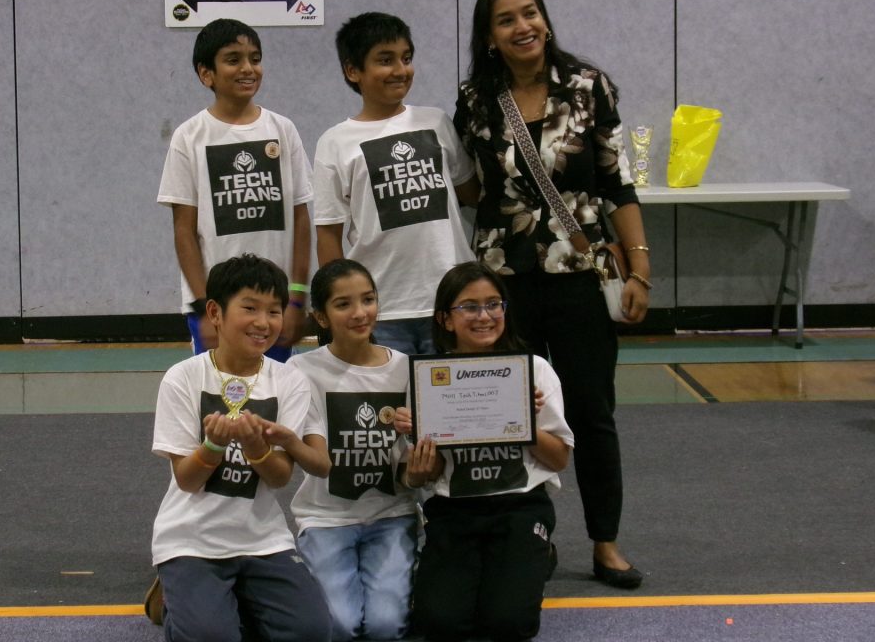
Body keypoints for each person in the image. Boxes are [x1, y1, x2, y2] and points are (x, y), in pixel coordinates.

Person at [454, 0, 652, 588]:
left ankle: (605, 542)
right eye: (506, 20)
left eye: (530, 13)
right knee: (507, 413)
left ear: (545, 18)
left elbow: (617, 183)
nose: (523, 27)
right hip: (503, 283)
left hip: (579, 276)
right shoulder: (475, 100)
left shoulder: (589, 87)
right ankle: (525, 537)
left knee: (591, 412)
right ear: (489, 37)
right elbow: (471, 187)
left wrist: (640, 268)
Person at [144, 254, 331, 642]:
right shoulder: (183, 378)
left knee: (311, 632)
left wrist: (255, 447)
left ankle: (224, 601)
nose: (263, 322)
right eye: (250, 308)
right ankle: (175, 600)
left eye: (274, 311)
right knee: (211, 636)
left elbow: (279, 478)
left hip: (262, 539)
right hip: (191, 540)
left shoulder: (290, 382)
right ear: (215, 312)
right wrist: (213, 445)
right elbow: (187, 480)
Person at [394, 262, 573, 641]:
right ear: (445, 319)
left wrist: (522, 420)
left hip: (520, 507)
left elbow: (559, 458)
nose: (484, 316)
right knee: (439, 623)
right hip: (455, 510)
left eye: (494, 304)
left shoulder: (534, 371)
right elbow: (428, 474)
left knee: (509, 623)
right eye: (469, 307)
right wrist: (420, 465)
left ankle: (538, 551)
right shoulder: (429, 379)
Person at [313, 12, 479, 355]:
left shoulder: (436, 122)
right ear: (353, 71)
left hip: (449, 302)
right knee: (390, 393)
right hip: (379, 309)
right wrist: (340, 304)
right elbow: (328, 234)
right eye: (385, 60)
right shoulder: (335, 141)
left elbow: (472, 194)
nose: (401, 70)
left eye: (406, 58)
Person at [277, 259, 416, 641]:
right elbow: (314, 458)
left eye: (368, 300)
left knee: (385, 627)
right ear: (321, 317)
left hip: (393, 516)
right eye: (343, 304)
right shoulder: (301, 370)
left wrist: (418, 462)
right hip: (326, 519)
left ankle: (411, 571)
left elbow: (411, 469)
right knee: (339, 625)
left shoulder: (406, 368)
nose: (359, 313)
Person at [158, 18, 312, 362]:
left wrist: (297, 298)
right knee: (221, 394)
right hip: (217, 306)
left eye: (255, 59)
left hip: (276, 303)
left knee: (273, 392)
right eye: (233, 60)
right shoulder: (189, 136)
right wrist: (205, 307)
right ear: (206, 74)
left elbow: (301, 219)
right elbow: (184, 231)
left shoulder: (283, 130)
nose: (248, 68)